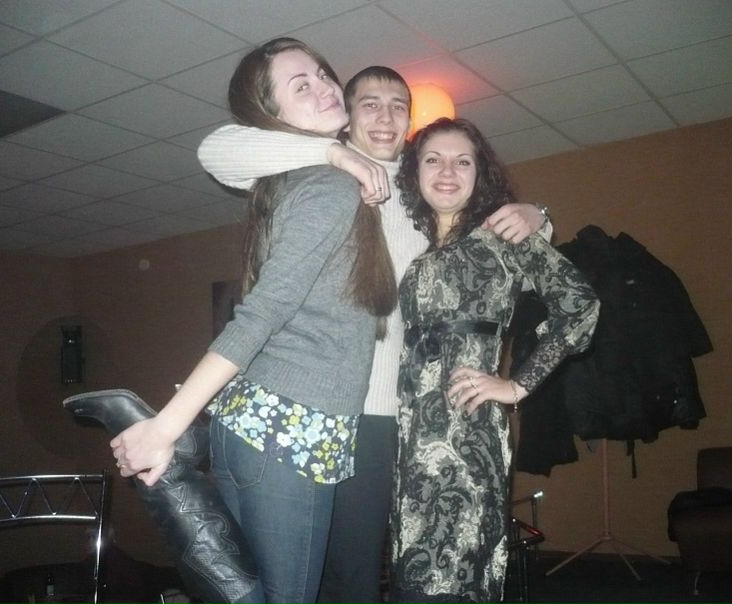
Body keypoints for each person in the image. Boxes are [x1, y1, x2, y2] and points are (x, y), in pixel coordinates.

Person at [197, 66, 550, 604]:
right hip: (315, 402)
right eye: (370, 104)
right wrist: (334, 154)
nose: (386, 116)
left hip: (389, 416)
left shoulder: (419, 196)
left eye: (398, 106)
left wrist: (536, 215)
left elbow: (498, 240)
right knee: (304, 573)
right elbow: (217, 151)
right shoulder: (318, 173)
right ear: (346, 115)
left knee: (358, 571)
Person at [109, 38, 397, 604]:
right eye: (301, 85)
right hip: (291, 427)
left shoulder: (290, 181)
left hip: (256, 425)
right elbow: (263, 311)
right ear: (272, 114)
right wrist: (166, 426)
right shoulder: (330, 187)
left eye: (322, 73)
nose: (325, 86)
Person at [390, 117, 600, 604]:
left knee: (452, 581)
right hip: (412, 439)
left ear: (479, 173)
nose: (447, 171)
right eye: (433, 160)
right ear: (415, 173)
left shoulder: (504, 236)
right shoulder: (418, 254)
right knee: (412, 583)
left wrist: (516, 385)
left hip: (466, 438)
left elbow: (581, 306)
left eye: (462, 161)